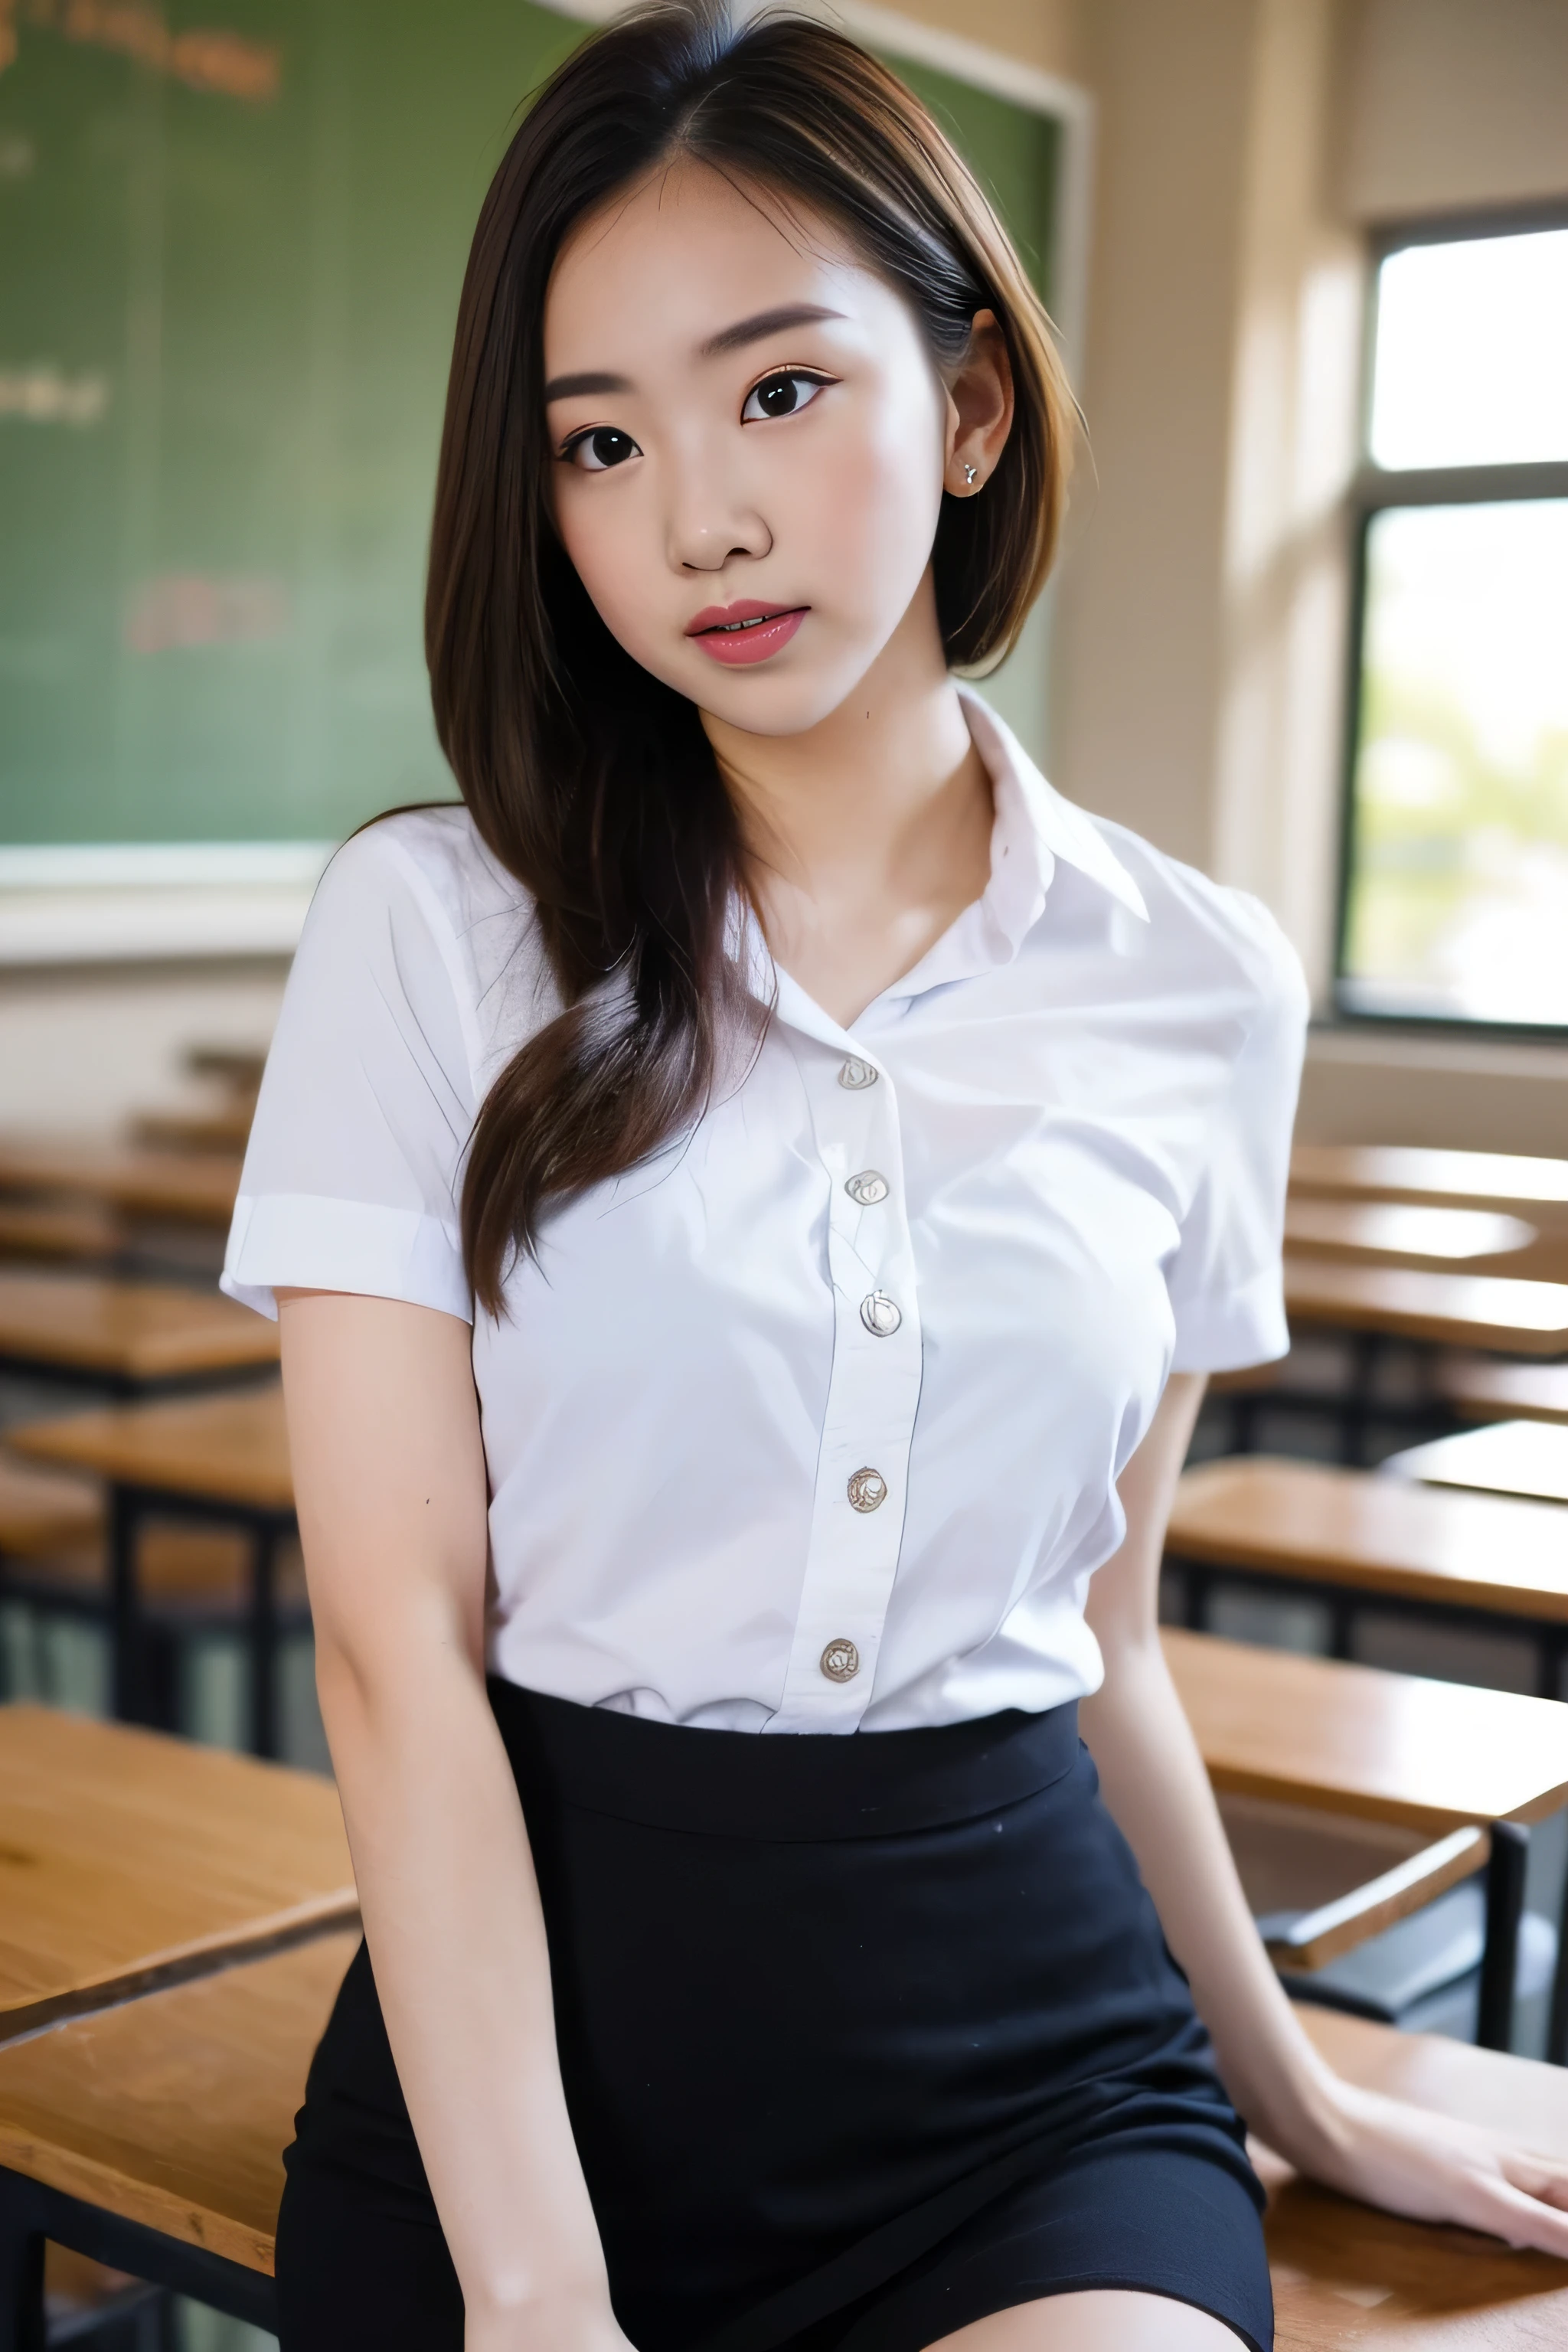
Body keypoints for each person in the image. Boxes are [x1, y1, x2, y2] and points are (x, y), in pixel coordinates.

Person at [221, 6, 1568, 2347]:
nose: (697, 517)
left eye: (778, 390)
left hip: (1028, 2076)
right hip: (540, 2079)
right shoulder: (433, 930)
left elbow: (1105, 1635)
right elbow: (393, 1650)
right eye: (601, 442)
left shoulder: (1203, 984)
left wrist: (1308, 2101)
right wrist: (540, 2305)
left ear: (967, 404)